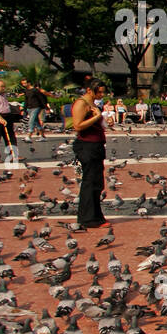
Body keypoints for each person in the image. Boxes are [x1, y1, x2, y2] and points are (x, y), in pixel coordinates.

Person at [69, 79, 109, 230]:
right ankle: (88, 219)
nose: (101, 94)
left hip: (96, 146)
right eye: (99, 91)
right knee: (90, 182)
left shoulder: (92, 104)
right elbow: (77, 125)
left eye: (102, 91)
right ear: (89, 90)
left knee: (96, 182)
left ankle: (95, 216)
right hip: (87, 146)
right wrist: (96, 117)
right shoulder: (81, 103)